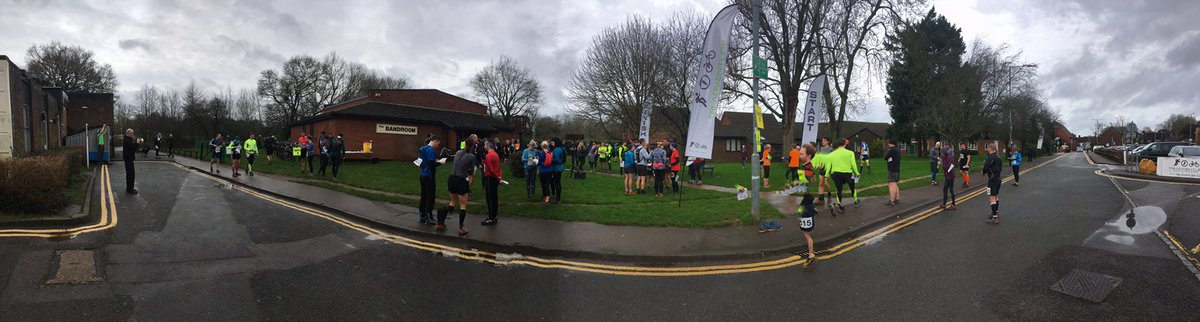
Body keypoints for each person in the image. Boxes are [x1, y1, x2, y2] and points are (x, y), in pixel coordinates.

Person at [439, 141, 476, 237]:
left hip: (452, 179)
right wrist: (469, 184)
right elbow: (471, 172)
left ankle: (441, 222)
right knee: (463, 205)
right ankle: (461, 228)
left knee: (452, 202)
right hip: (461, 180)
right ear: (473, 147)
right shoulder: (472, 157)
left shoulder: (459, 152)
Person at [827, 138, 860, 213]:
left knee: (839, 189)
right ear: (845, 144)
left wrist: (826, 175)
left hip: (835, 173)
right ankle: (855, 201)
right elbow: (853, 164)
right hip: (847, 173)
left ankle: (840, 205)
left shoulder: (831, 154)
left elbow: (829, 165)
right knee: (852, 187)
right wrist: (857, 172)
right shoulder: (850, 153)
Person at [417, 136, 443, 225]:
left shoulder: (422, 148)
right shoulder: (431, 150)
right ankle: (429, 216)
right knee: (430, 197)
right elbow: (432, 163)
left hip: (422, 175)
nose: (438, 146)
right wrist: (440, 163)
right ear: (435, 141)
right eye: (438, 144)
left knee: (423, 196)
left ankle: (422, 215)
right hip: (429, 176)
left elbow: (419, 162)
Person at [482, 141, 502, 225]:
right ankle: (494, 216)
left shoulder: (488, 155)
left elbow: (491, 169)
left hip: (490, 178)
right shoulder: (496, 154)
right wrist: (500, 177)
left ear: (488, 146)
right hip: (495, 178)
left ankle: (491, 218)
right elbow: (498, 167)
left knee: (490, 198)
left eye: (485, 145)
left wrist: (497, 177)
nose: (484, 147)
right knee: (494, 197)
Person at [797, 193, 818, 271]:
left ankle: (811, 254)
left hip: (806, 224)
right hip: (810, 223)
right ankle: (811, 253)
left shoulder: (803, 206)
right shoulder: (811, 206)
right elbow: (815, 212)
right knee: (807, 236)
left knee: (808, 236)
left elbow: (799, 211)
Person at [983, 143, 1003, 224]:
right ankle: (996, 212)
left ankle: (995, 217)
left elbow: (985, 168)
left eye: (988, 148)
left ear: (990, 149)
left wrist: (984, 171)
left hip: (992, 180)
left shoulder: (990, 157)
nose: (987, 150)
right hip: (998, 178)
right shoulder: (999, 158)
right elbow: (1000, 168)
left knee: (991, 197)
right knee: (995, 196)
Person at [815, 137, 833, 205]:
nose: (822, 142)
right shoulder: (821, 149)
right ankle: (821, 199)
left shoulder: (831, 150)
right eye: (822, 141)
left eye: (824, 141)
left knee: (826, 183)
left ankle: (829, 195)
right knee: (821, 183)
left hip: (827, 168)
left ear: (828, 142)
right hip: (821, 168)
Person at [122, 128, 139, 194]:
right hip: (128, 159)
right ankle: (130, 189)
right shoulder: (127, 140)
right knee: (130, 174)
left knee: (130, 174)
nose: (133, 134)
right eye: (132, 133)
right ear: (129, 133)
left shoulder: (127, 140)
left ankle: (129, 188)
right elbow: (133, 148)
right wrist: (137, 143)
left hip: (128, 159)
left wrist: (135, 143)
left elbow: (131, 146)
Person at [940, 146, 957, 210]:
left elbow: (947, 166)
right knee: (949, 190)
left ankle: (950, 204)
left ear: (944, 153)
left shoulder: (948, 158)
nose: (941, 154)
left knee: (946, 189)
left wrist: (942, 164)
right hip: (949, 176)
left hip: (950, 176)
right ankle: (951, 204)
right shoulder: (946, 157)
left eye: (942, 153)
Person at [885, 139, 902, 206]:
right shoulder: (898, 150)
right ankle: (897, 199)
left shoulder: (891, 150)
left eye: (889, 143)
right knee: (895, 184)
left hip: (892, 170)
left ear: (891, 144)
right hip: (897, 169)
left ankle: (891, 200)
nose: (888, 145)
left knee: (891, 184)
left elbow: (886, 157)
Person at [551, 138, 566, 203]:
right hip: (560, 167)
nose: (552, 144)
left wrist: (550, 159)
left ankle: (558, 199)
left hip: (556, 168)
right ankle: (557, 197)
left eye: (553, 143)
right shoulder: (562, 148)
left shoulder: (556, 149)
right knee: (557, 183)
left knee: (557, 183)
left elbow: (556, 159)